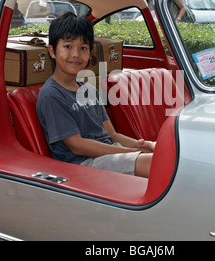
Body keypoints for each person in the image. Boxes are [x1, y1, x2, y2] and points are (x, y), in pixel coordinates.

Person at [36, 12, 154, 178]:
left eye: (83, 48)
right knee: (155, 163)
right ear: (52, 51)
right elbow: (76, 145)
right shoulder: (52, 95)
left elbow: (111, 135)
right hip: (83, 164)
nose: (76, 54)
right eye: (68, 46)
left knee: (166, 153)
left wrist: (142, 145)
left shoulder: (89, 90)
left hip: (108, 155)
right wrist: (133, 151)